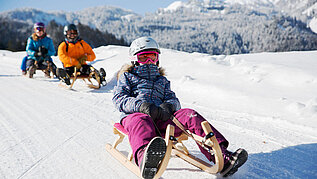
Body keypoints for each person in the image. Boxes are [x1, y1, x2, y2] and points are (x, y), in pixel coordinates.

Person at [112, 37, 248, 178]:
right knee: (141, 120)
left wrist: (169, 106)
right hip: (135, 117)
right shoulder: (127, 77)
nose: (149, 61)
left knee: (189, 114)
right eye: (143, 57)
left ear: (157, 59)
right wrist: (141, 106)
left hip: (162, 118)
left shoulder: (162, 80)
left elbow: (173, 99)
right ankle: (145, 160)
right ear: (135, 59)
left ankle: (221, 155)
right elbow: (119, 98)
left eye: (152, 57)